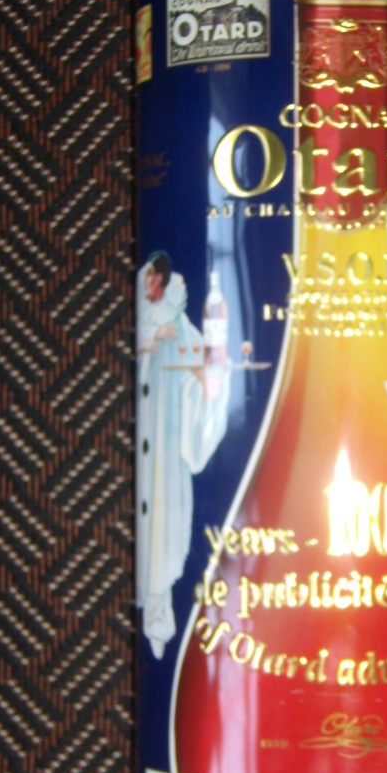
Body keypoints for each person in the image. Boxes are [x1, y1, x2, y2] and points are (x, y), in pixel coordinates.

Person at [136, 251, 229, 657]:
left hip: (163, 448)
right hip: (136, 438)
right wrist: (152, 340)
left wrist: (210, 385)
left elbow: (200, 366)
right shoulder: (142, 313)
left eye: (154, 280)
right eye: (147, 280)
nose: (149, 286)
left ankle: (159, 625)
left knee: (162, 531)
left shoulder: (178, 322)